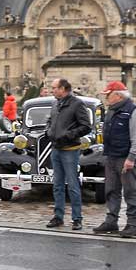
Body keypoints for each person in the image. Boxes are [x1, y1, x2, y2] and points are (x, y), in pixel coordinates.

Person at [93, 81, 136, 238]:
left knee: (130, 191)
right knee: (111, 190)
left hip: (125, 157)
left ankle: (133, 224)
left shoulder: (132, 111)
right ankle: (111, 221)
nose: (106, 98)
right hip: (111, 156)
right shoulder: (111, 111)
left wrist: (131, 158)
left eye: (108, 95)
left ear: (118, 95)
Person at [44, 78, 92, 231]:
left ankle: (77, 218)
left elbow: (86, 126)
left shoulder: (77, 104)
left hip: (70, 150)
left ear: (63, 88)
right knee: (57, 185)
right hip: (56, 148)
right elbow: (50, 121)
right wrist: (49, 132)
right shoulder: (55, 103)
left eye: (54, 88)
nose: (52, 91)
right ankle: (58, 216)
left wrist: (68, 135)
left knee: (73, 185)